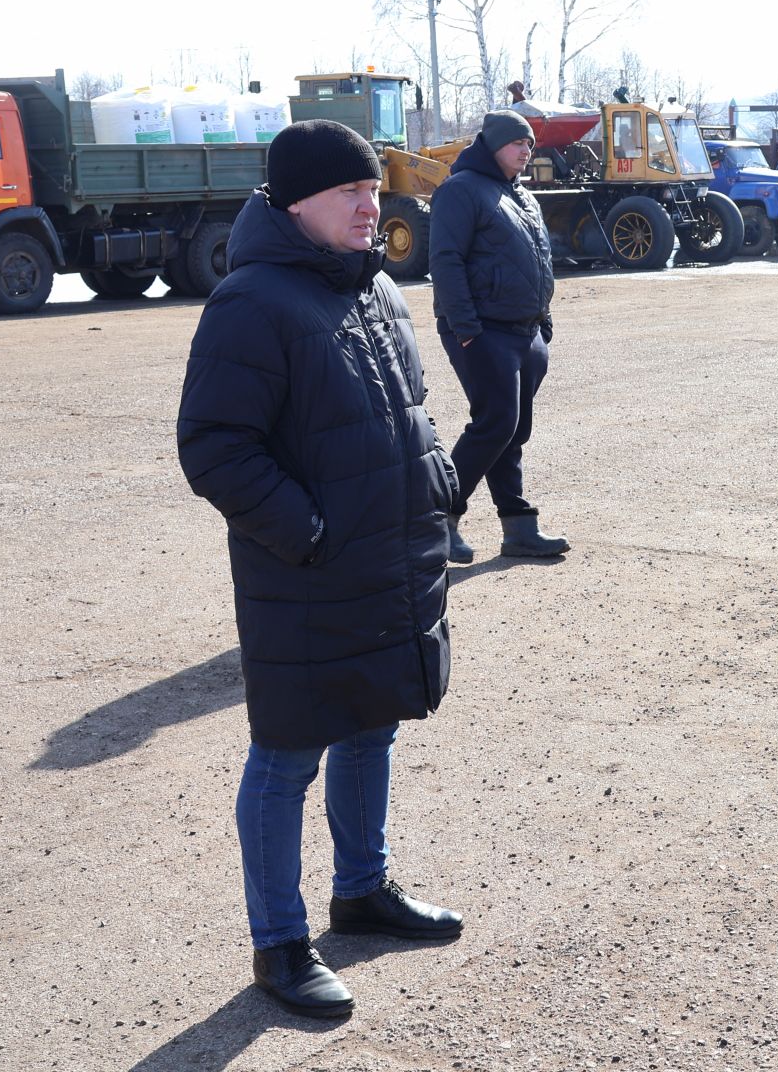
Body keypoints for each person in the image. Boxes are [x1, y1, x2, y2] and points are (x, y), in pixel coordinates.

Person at [178, 120, 466, 1020]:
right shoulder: (253, 302)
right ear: (296, 200)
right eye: (351, 191)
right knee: (286, 758)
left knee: (371, 724)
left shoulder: (373, 287)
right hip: (307, 576)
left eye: (374, 189)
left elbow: (407, 408)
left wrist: (440, 483)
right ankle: (280, 943)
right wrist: (308, 533)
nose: (370, 205)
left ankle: (361, 891)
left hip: (385, 562)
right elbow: (214, 447)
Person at [429, 110, 568, 563]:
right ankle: (439, 520)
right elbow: (445, 261)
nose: (526, 151)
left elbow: (539, 257)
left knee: (513, 429)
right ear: (492, 145)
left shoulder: (522, 196)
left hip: (525, 331)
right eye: (517, 143)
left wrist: (542, 323)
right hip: (482, 330)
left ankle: (519, 528)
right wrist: (466, 329)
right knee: (496, 424)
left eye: (529, 144)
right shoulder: (461, 190)